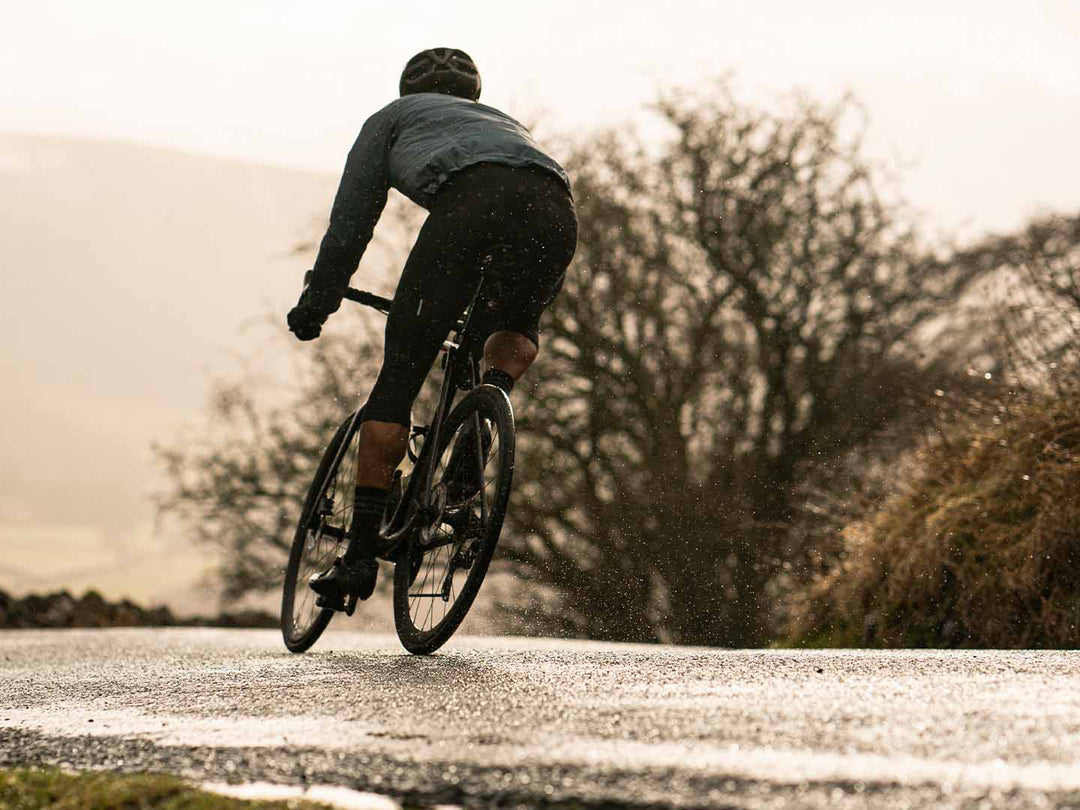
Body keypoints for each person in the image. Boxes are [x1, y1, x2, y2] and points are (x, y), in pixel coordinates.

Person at [286, 48, 578, 611]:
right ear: (472, 92)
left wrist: (318, 302)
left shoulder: (391, 119)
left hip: (473, 203)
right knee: (514, 325)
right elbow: (527, 196)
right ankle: (482, 424)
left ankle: (359, 558)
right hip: (554, 207)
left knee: (399, 376)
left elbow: (350, 225)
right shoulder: (506, 125)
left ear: (408, 89)